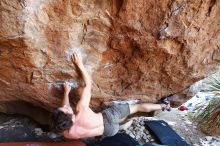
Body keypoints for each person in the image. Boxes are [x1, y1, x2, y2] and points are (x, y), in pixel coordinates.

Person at [50, 53, 171, 139]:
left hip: (109, 132)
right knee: (137, 107)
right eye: (66, 109)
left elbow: (64, 111)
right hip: (109, 117)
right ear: (71, 118)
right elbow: (88, 85)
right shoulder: (81, 110)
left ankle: (126, 122)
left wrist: (66, 93)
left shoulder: (67, 133)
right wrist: (79, 64)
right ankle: (164, 105)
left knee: (119, 124)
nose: (65, 106)